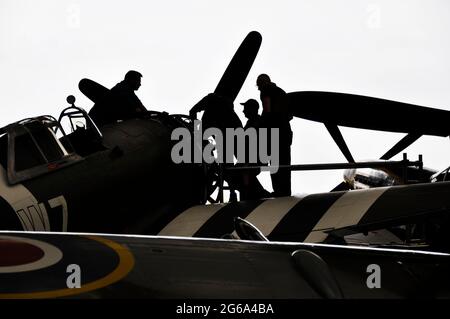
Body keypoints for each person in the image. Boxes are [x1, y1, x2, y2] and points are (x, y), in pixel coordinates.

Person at [256, 73, 292, 197]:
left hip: (274, 133)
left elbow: (267, 110)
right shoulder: (282, 92)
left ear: (261, 84)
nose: (259, 89)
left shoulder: (266, 90)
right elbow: (290, 115)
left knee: (275, 165)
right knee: (285, 165)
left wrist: (259, 125)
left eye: (259, 86)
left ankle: (278, 192)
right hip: (286, 132)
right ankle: (286, 192)